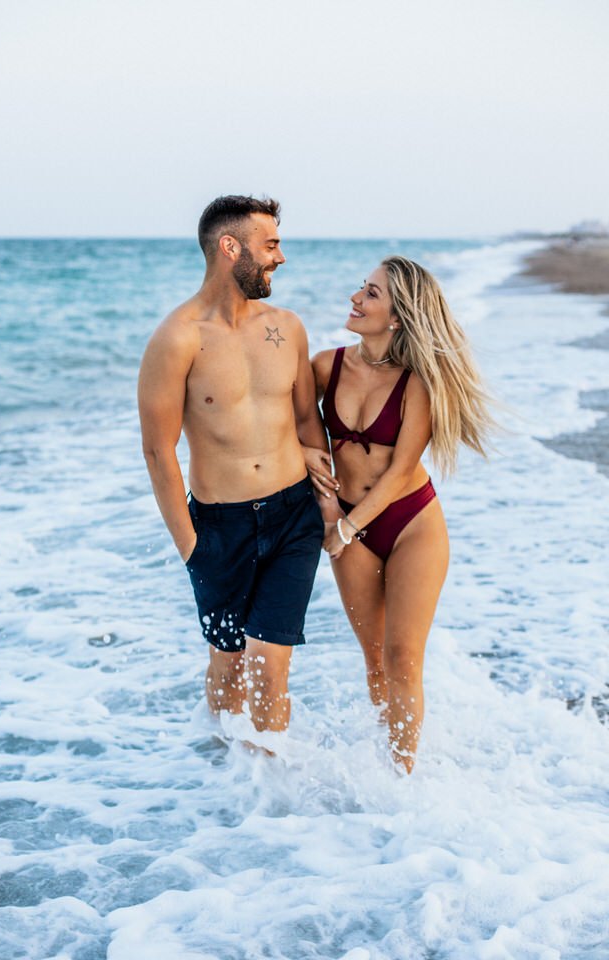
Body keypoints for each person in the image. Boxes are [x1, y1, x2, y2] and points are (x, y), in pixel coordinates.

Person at [138, 196, 327, 737]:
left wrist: (327, 503)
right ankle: (228, 781)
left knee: (272, 665)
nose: (280, 257)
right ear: (230, 247)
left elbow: (307, 421)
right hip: (220, 529)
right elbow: (157, 450)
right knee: (229, 662)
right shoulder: (178, 338)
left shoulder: (287, 327)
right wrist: (190, 547)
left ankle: (271, 803)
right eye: (270, 245)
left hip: (294, 517)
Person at [306, 256, 493, 772]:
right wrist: (310, 467)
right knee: (374, 660)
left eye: (370, 293)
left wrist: (343, 526)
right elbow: (292, 424)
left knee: (404, 657)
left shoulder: (419, 384)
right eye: (360, 287)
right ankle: (388, 765)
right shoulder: (326, 366)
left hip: (409, 521)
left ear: (397, 316)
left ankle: (404, 777)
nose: (355, 298)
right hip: (348, 525)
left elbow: (398, 471)